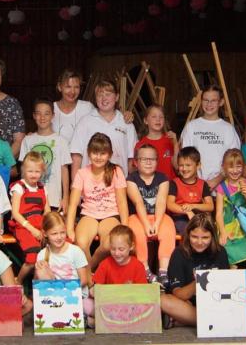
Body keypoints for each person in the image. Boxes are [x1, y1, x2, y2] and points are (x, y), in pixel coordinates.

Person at [66, 132, 129, 270]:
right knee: (81, 243)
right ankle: (90, 278)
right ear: (89, 153)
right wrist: (70, 228)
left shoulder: (116, 171)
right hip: (88, 214)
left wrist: (125, 227)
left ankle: (90, 270)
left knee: (108, 244)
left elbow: (122, 202)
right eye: (95, 153)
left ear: (110, 155)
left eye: (103, 153)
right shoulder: (82, 173)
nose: (98, 157)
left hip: (111, 215)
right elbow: (73, 204)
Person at [160, 213, 230, 328]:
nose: (199, 242)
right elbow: (178, 294)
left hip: (214, 302)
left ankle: (185, 321)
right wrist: (198, 282)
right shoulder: (179, 253)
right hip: (188, 304)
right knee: (163, 300)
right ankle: (212, 322)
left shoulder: (220, 252)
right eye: (194, 237)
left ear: (212, 236)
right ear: (188, 235)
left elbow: (226, 289)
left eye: (205, 237)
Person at [126, 144, 176, 285]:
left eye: (152, 159)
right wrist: (146, 224)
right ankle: (145, 269)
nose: (148, 162)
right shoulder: (131, 179)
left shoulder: (163, 178)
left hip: (158, 215)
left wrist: (157, 223)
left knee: (169, 227)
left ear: (157, 161)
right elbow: (138, 202)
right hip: (138, 216)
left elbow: (161, 201)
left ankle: (163, 271)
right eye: (144, 159)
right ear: (136, 162)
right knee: (136, 232)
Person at [70, 80, 138, 177]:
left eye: (108, 94)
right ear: (95, 98)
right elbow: (76, 156)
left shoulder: (126, 123)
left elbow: (131, 159)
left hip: (118, 181)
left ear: (117, 97)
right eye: (100, 95)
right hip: (90, 182)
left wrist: (133, 183)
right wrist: (75, 183)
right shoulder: (85, 122)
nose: (104, 98)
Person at [179, 85, 241, 189]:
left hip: (222, 188)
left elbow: (234, 159)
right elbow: (184, 157)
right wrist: (198, 183)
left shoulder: (228, 129)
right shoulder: (191, 126)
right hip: (194, 186)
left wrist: (216, 180)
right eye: (206, 100)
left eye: (213, 101)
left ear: (221, 102)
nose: (209, 104)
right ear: (201, 101)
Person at [34, 212, 93, 322]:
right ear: (45, 234)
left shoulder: (75, 251)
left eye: (62, 232)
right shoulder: (42, 254)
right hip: (55, 297)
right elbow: (38, 284)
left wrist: (65, 290)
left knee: (91, 308)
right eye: (54, 234)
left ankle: (82, 317)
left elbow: (84, 280)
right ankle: (78, 318)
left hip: (77, 294)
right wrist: (40, 271)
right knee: (41, 270)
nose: (59, 237)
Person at [19, 98, 71, 212]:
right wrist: (21, 195)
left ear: (53, 115)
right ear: (34, 116)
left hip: (54, 199)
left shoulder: (61, 141)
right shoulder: (27, 140)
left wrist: (66, 197)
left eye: (46, 114)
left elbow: (64, 170)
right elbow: (23, 171)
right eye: (38, 113)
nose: (42, 117)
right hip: (31, 198)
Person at [8, 151, 51, 284]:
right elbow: (15, 213)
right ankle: (19, 282)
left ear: (42, 172)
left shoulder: (42, 188)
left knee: (56, 249)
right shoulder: (19, 187)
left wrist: (45, 229)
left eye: (37, 171)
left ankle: (38, 284)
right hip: (22, 225)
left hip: (40, 224)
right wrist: (32, 229)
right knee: (32, 257)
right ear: (23, 170)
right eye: (30, 171)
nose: (33, 174)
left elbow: (47, 211)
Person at [215, 149, 246, 267]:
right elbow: (219, 214)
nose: (235, 171)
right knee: (229, 258)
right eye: (231, 167)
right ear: (224, 167)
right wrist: (222, 233)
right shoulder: (221, 188)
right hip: (228, 229)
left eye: (238, 166)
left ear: (243, 166)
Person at [167, 147, 215, 235]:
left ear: (198, 165)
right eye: (181, 165)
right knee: (188, 229)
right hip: (180, 217)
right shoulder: (174, 183)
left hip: (198, 216)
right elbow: (170, 204)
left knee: (207, 227)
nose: (184, 169)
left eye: (188, 165)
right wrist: (187, 211)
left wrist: (192, 206)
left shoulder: (202, 184)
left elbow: (210, 206)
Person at [135, 104, 178, 179]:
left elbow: (177, 166)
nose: (158, 120)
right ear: (146, 121)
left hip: (169, 184)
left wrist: (175, 144)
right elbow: (137, 170)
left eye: (161, 117)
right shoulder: (141, 145)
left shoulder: (170, 141)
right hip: (149, 185)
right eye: (154, 117)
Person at [52, 69, 96, 143]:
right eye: (68, 87)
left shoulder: (87, 108)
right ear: (59, 87)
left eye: (76, 87)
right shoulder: (50, 109)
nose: (72, 92)